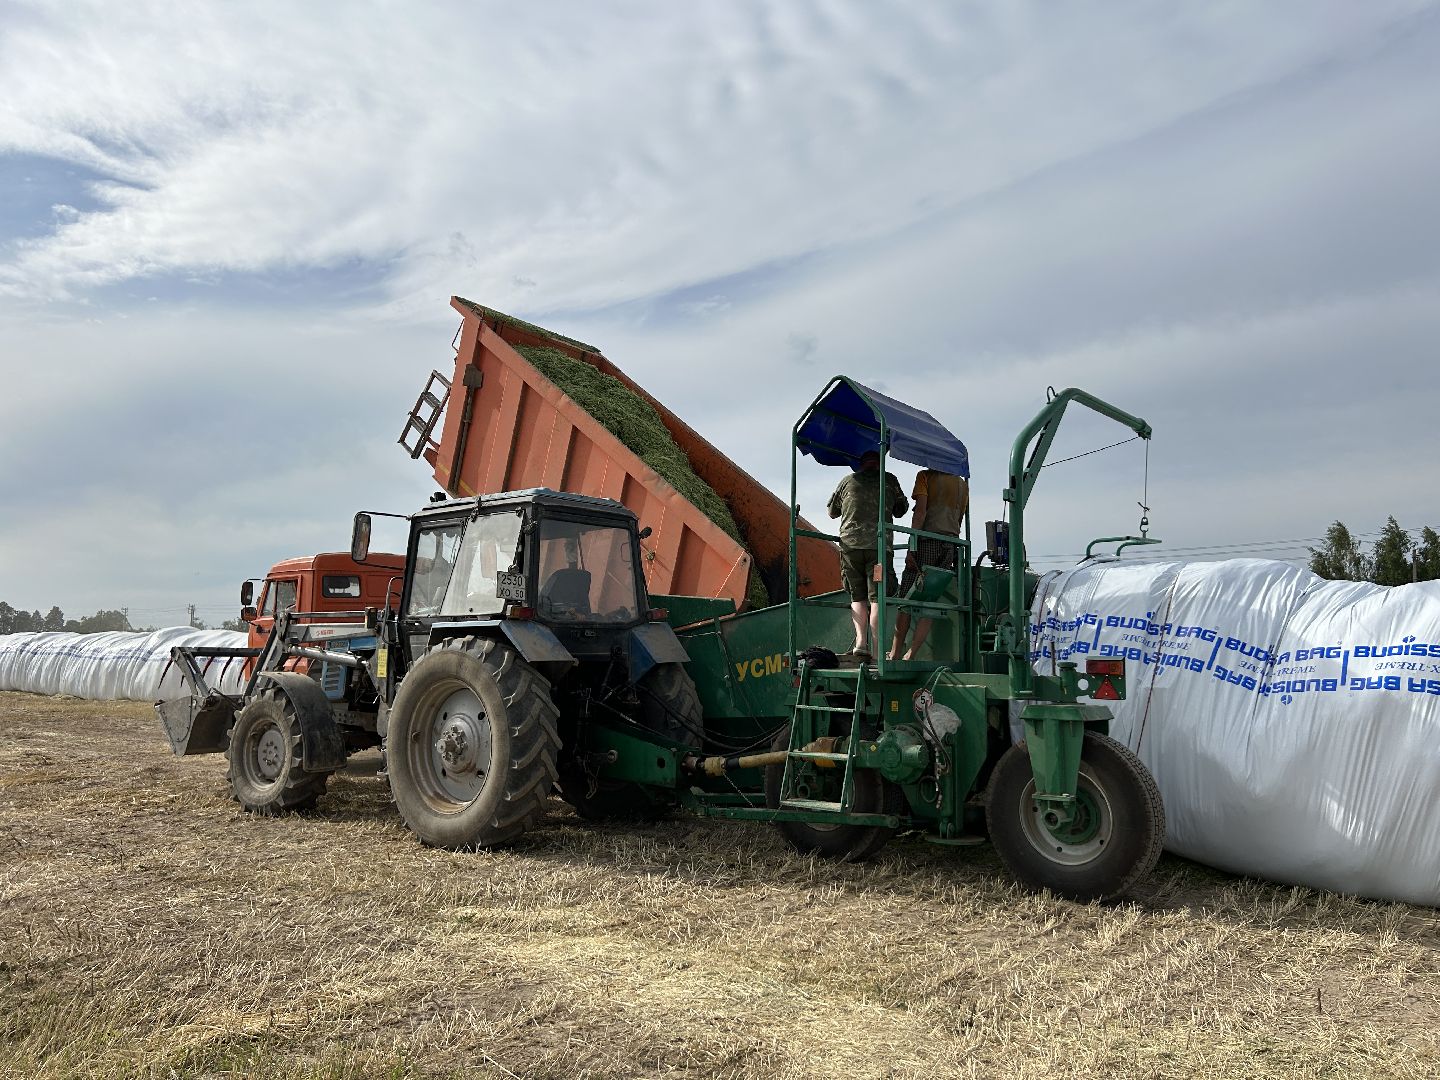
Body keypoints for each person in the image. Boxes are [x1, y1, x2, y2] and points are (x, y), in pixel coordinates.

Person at [827, 450, 908, 659]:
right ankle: (878, 649)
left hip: (850, 548)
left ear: (860, 465)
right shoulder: (889, 480)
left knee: (858, 596)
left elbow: (832, 512)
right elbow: (902, 509)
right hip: (878, 549)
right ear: (879, 464)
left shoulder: (847, 481)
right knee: (877, 597)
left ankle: (861, 643)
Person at [889, 468, 967, 660]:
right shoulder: (961, 484)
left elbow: (920, 512)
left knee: (906, 599)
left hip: (927, 540)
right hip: (950, 543)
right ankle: (912, 654)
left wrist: (912, 546)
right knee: (930, 600)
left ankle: (895, 653)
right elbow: (960, 518)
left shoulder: (925, 476)